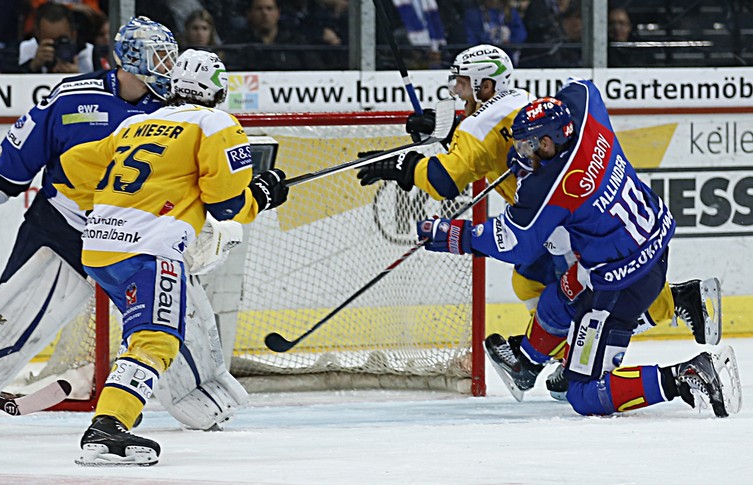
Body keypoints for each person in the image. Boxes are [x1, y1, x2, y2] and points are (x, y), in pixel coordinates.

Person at [0, 17, 249, 441]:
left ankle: (204, 402)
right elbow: (20, 153)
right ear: (130, 58)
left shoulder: (177, 109)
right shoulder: (73, 95)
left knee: (182, 321)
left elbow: (206, 177)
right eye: (158, 55)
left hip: (141, 233)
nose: (167, 64)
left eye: (170, 56)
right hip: (66, 227)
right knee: (12, 321)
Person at [355, 44, 721, 400]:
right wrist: (450, 134)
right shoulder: (528, 103)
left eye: (463, 83)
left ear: (485, 85)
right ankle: (552, 354)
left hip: (561, 230)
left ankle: (553, 360)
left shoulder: (547, 181)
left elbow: (446, 182)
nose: (456, 89)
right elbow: (568, 98)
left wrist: (407, 169)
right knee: (531, 282)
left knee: (576, 301)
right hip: (642, 231)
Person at [415, 85, 740, 418]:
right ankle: (528, 361)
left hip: (620, 284)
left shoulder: (554, 186)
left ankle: (683, 376)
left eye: (528, 145)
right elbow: (580, 88)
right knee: (556, 300)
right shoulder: (587, 115)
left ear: (547, 142)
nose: (522, 153)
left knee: (583, 393)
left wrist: (449, 234)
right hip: (652, 244)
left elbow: (513, 242)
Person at [57, 48, 289, 466]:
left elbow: (72, 167)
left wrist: (112, 206)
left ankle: (122, 402)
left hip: (100, 248)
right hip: (149, 250)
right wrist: (262, 194)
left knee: (144, 335)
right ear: (218, 89)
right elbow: (225, 206)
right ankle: (108, 427)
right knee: (155, 340)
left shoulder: (136, 123)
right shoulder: (215, 122)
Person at [224, 0, 324, 71]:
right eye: (259, 9)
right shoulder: (239, 42)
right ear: (249, 14)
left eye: (269, 8)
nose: (265, 13)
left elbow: (316, 68)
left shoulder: (295, 41)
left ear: (278, 13)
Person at [19, 2, 94, 74]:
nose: (56, 46)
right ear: (37, 35)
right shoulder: (24, 50)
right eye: (50, 41)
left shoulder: (90, 55)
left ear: (74, 35)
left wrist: (77, 78)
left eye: (62, 39)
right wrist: (32, 67)